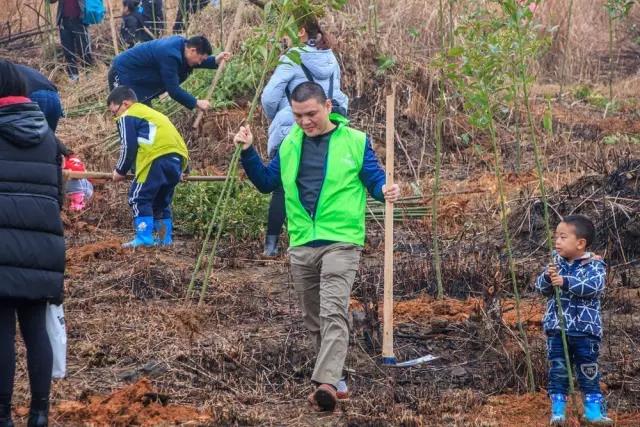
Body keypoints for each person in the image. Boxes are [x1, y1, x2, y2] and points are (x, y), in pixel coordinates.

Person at [235, 82, 400, 412]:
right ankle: (336, 379)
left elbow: (375, 180)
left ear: (327, 106)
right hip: (301, 242)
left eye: (310, 113)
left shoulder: (355, 141)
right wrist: (248, 151)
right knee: (314, 319)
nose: (304, 121)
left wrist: (387, 190)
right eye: (298, 115)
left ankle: (324, 383)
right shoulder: (290, 143)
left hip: (342, 240)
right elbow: (268, 183)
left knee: (333, 309)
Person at [0, 60, 65, 427]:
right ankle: (39, 414)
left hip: (3, 242)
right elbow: (56, 194)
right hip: (43, 245)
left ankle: (3, 416)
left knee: (2, 332)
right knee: (36, 328)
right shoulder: (47, 134)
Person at [260, 18, 348, 257]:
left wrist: (281, 115)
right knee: (323, 184)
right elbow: (338, 96)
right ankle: (323, 241)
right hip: (327, 128)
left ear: (301, 31)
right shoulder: (330, 57)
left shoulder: (294, 56)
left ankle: (271, 246)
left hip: (292, 126)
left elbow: (269, 96)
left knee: (281, 185)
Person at [535, 215, 613, 426]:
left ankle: (593, 412)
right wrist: (548, 278)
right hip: (557, 328)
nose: (557, 242)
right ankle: (558, 413)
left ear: (580, 243)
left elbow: (595, 287)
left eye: (563, 237)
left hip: (585, 331)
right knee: (558, 370)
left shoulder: (594, 265)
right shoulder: (555, 263)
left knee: (588, 370)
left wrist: (565, 281)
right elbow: (541, 289)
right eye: (556, 237)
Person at [107, 86, 190, 248]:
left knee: (139, 198)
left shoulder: (128, 115)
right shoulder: (155, 115)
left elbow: (128, 146)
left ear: (125, 104)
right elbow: (175, 138)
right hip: (176, 159)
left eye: (113, 112)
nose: (114, 116)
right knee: (161, 202)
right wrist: (185, 169)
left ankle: (144, 239)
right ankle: (164, 240)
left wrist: (120, 170)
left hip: (155, 159)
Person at [108, 35, 231, 111]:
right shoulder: (169, 54)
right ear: (193, 50)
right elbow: (173, 90)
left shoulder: (183, 47)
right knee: (127, 115)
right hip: (122, 72)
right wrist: (196, 103)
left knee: (144, 120)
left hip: (138, 81)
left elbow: (188, 62)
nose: (200, 63)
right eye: (200, 59)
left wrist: (215, 60)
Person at [48, 0, 94, 81]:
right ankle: (73, 77)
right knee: (68, 52)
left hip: (80, 20)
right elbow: (51, 1)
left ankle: (89, 75)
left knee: (84, 50)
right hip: (64, 21)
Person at [14, 63, 64, 132]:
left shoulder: (7, 70)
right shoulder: (20, 68)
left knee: (28, 139)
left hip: (34, 96)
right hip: (54, 97)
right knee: (47, 139)